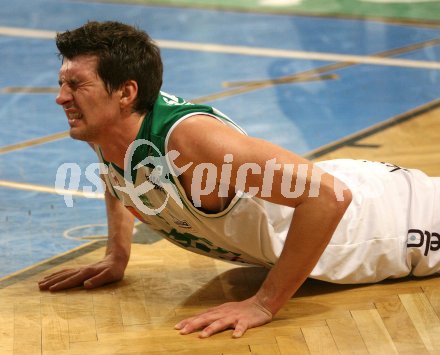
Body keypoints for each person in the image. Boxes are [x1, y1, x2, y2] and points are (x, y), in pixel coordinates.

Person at [38, 21, 440, 339]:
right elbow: (118, 175)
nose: (61, 97)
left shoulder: (190, 140)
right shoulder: (106, 127)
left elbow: (329, 197)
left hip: (394, 222)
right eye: (62, 83)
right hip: (353, 194)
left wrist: (265, 303)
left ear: (126, 93)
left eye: (76, 85)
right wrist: (117, 255)